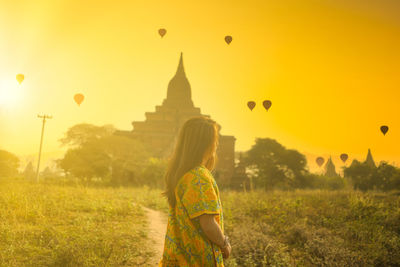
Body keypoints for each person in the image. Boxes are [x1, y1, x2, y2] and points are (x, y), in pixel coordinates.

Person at [159, 116, 231, 267]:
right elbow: (208, 224)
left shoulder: (184, 174)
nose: (217, 144)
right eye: (215, 140)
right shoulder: (199, 177)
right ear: (206, 144)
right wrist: (224, 244)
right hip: (198, 260)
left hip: (180, 257)